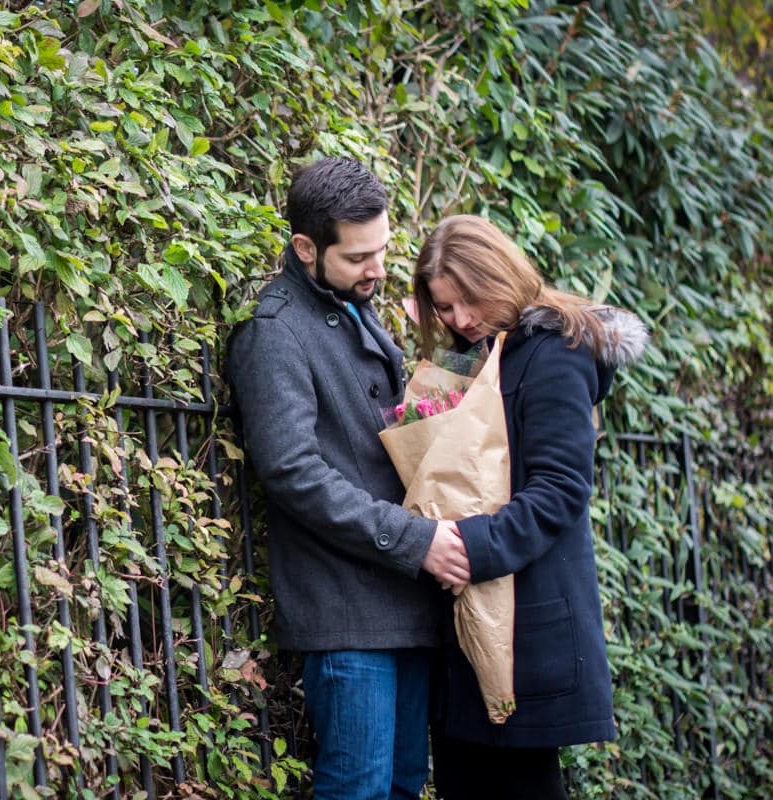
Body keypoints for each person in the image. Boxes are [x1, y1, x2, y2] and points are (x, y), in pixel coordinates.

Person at [226, 157, 470, 800]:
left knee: (404, 784)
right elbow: (292, 470)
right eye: (359, 257)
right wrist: (414, 540)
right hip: (346, 610)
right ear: (306, 248)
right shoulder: (274, 330)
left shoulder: (353, 308)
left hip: (403, 600)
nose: (378, 269)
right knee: (358, 788)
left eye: (382, 250)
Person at [411, 215, 648, 800]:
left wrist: (466, 548)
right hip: (467, 623)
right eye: (443, 307)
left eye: (467, 300)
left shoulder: (555, 354)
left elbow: (561, 489)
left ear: (500, 276)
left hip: (527, 627)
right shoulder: (472, 358)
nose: (458, 319)